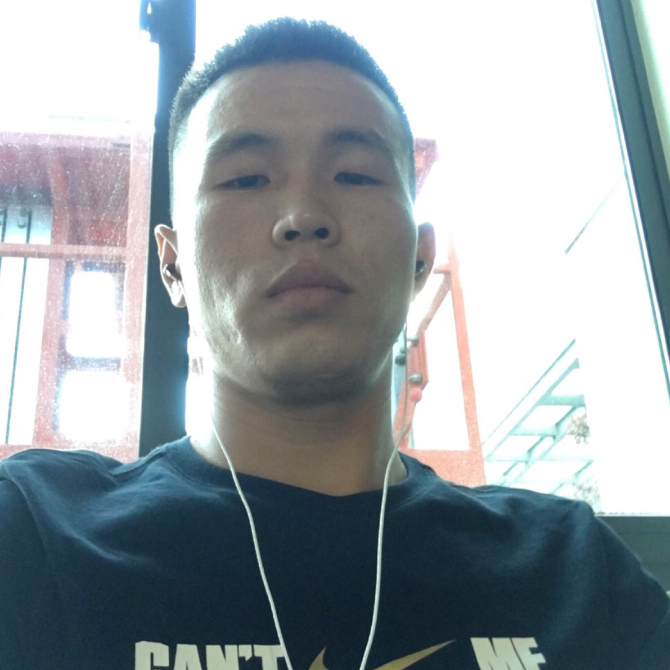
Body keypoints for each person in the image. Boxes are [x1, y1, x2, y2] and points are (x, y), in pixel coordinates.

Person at [0, 18, 668, 670]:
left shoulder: (575, 576)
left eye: (354, 175)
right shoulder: (34, 541)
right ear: (173, 266)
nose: (304, 218)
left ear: (420, 258)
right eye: (246, 179)